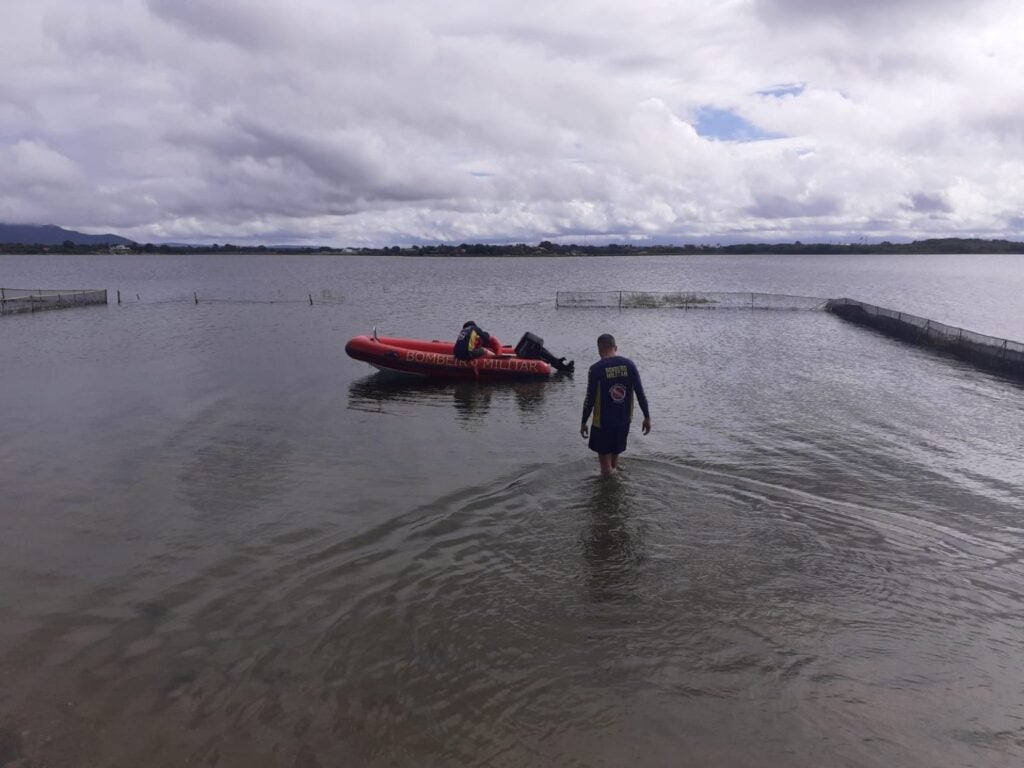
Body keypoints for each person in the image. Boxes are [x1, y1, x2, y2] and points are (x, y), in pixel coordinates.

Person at [580, 333, 651, 476]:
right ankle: (616, 490)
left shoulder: (596, 369)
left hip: (603, 423)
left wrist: (583, 421)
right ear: (615, 347)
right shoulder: (629, 365)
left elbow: (590, 398)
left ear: (599, 350)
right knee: (614, 463)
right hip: (623, 422)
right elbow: (640, 392)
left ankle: (608, 493)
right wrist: (647, 417)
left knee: (605, 468)